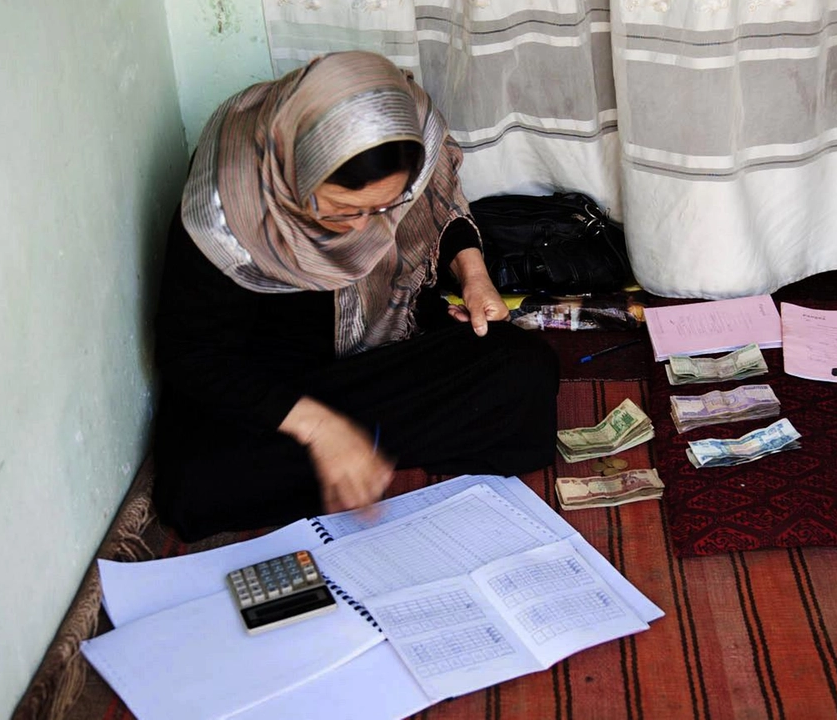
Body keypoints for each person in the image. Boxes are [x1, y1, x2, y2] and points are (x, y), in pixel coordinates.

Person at [152, 51, 559, 541]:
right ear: (295, 172)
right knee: (194, 486)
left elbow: (436, 206)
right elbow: (191, 354)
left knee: (525, 371)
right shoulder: (225, 209)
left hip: (380, 340)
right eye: (343, 211)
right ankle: (360, 448)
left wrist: (474, 278)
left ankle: (360, 452)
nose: (365, 232)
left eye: (386, 207)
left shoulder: (408, 130)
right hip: (271, 386)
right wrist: (320, 430)